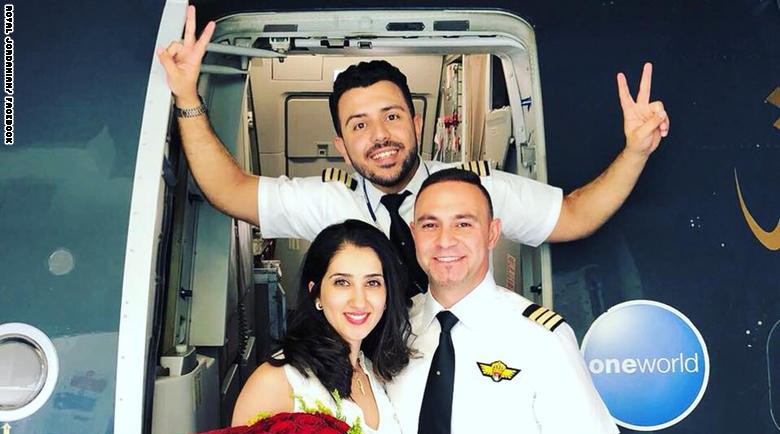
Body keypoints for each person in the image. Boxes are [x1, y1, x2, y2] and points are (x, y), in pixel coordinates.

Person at [157, 6, 671, 296]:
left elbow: (575, 216)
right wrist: (186, 97)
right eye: (359, 125)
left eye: (392, 116)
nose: (380, 135)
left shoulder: (474, 190)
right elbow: (228, 189)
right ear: (341, 146)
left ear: (416, 122)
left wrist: (635, 151)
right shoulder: (327, 203)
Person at [384, 167, 619, 434]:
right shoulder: (393, 331)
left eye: (463, 224)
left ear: (492, 233)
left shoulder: (542, 339)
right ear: (414, 235)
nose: (445, 241)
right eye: (430, 225)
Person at [231, 220, 410, 434]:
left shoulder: (377, 373)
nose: (359, 301)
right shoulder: (276, 382)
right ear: (316, 293)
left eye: (372, 283)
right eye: (342, 282)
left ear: (387, 295)